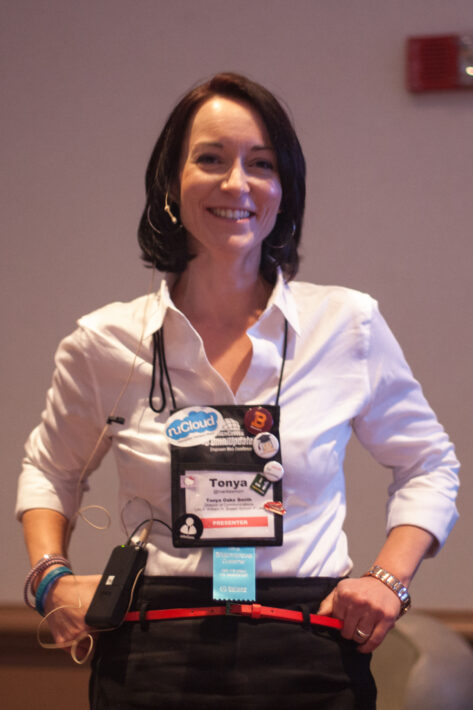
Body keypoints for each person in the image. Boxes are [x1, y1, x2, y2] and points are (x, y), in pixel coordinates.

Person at [17, 73, 460, 709]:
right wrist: (48, 578)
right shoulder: (105, 342)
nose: (237, 184)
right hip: (154, 651)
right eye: (210, 160)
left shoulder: (348, 325)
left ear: (285, 190)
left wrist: (390, 577)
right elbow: (49, 470)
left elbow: (429, 463)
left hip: (309, 646)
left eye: (261, 164)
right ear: (171, 184)